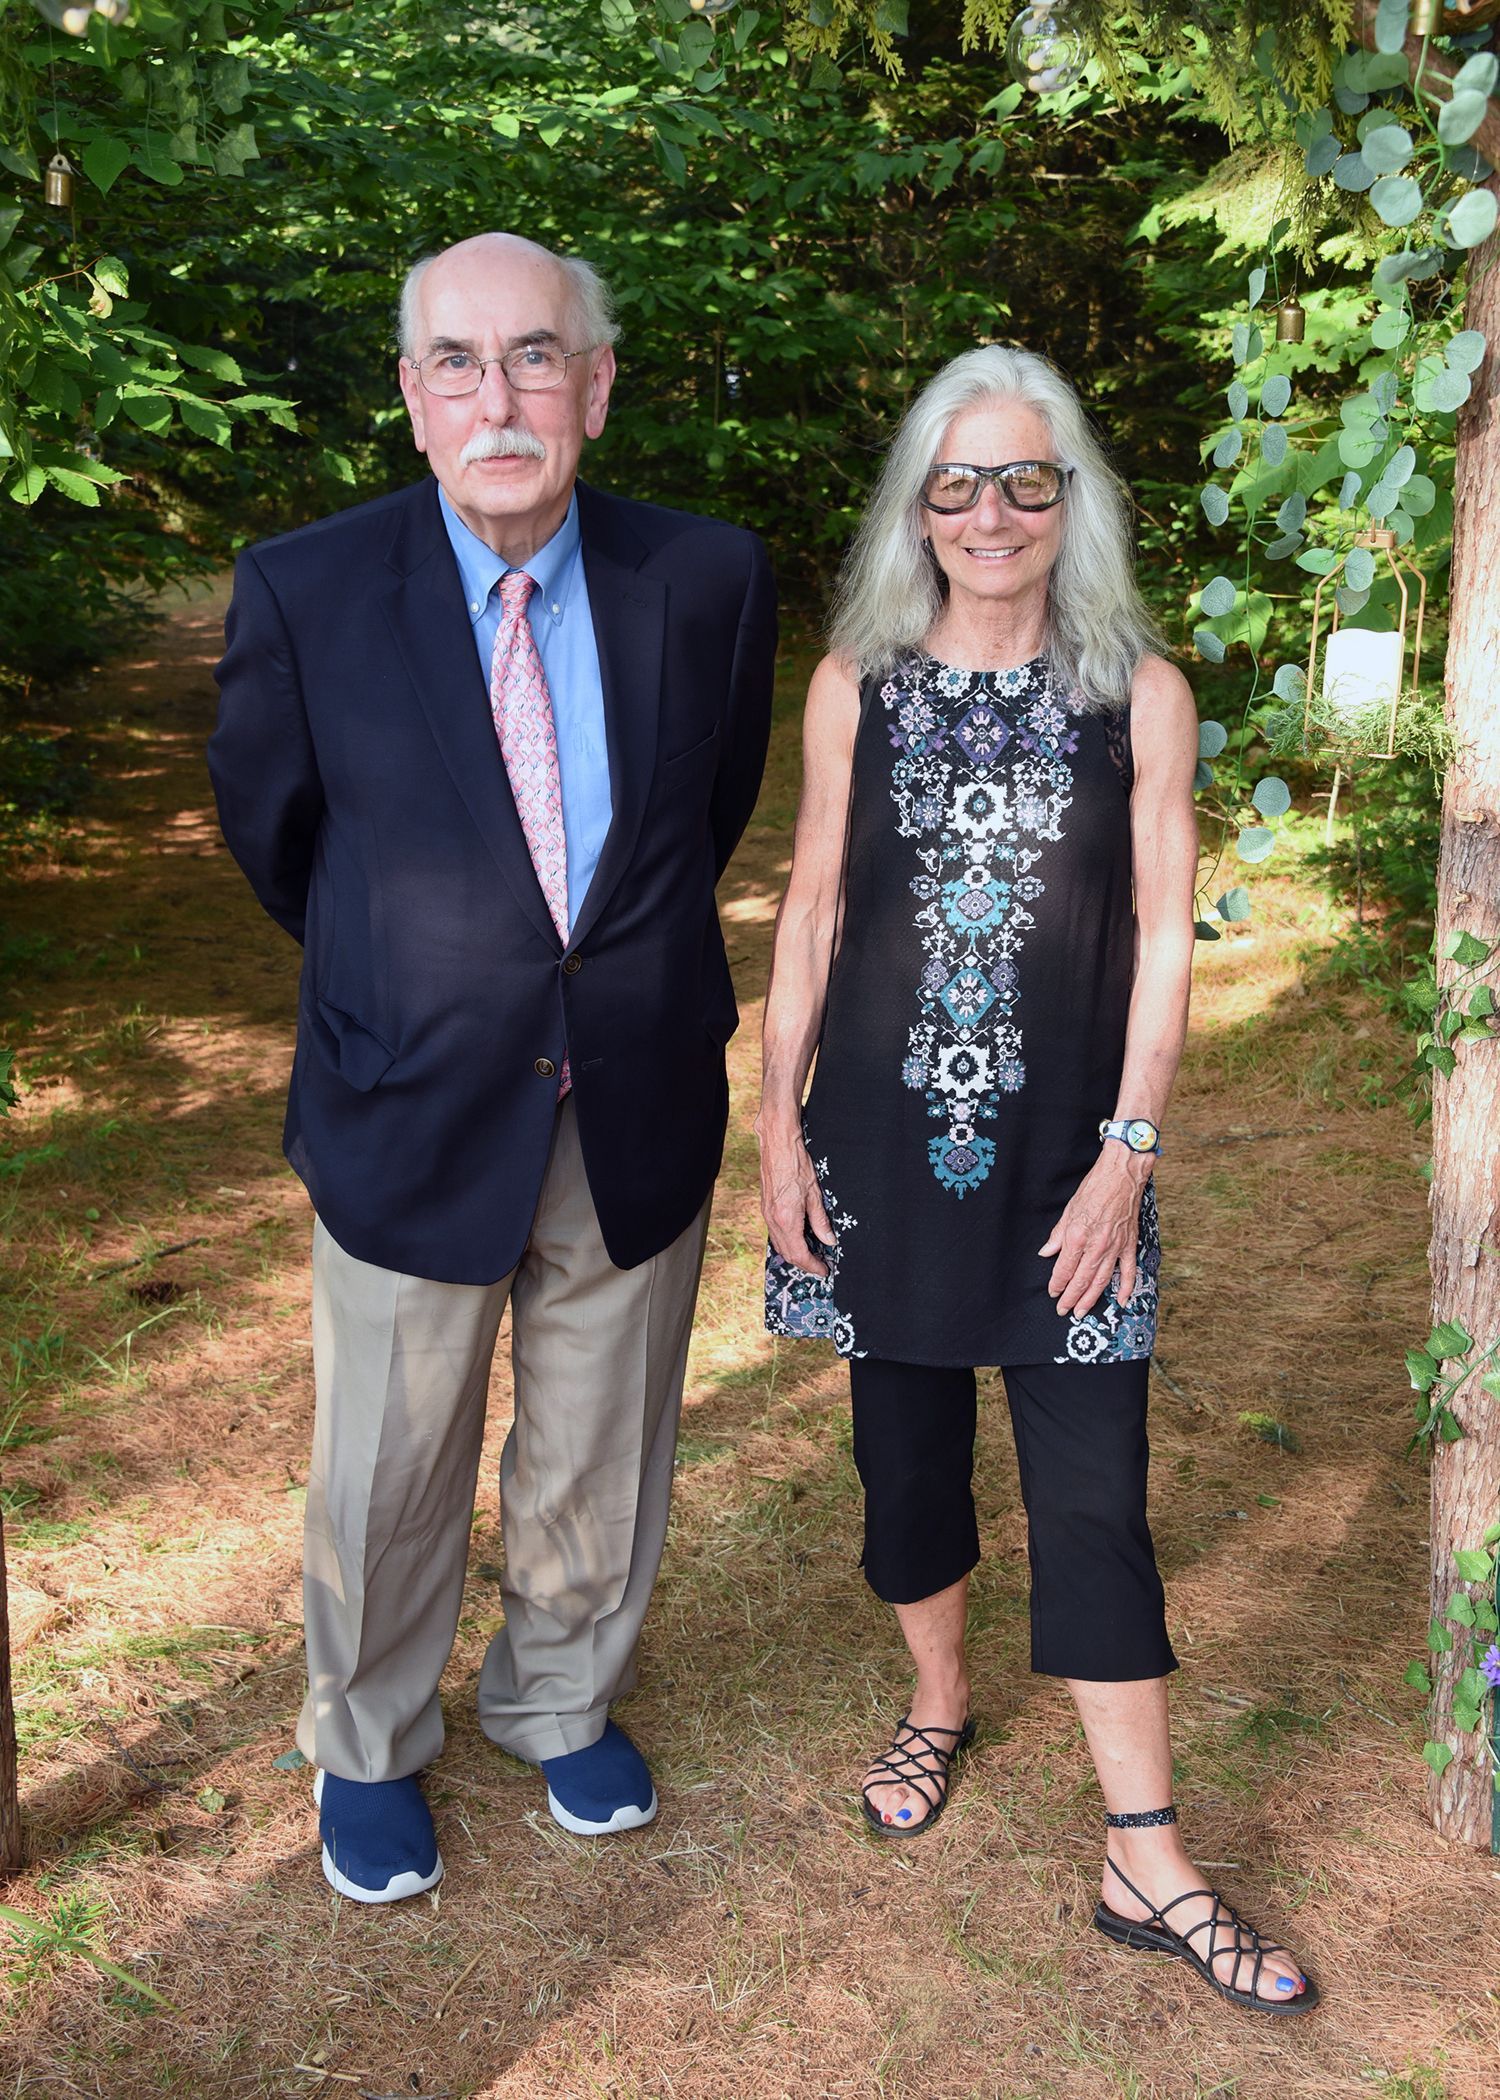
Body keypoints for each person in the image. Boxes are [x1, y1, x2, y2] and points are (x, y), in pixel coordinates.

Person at [209, 232, 776, 1902]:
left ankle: (557, 1697)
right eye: (457, 362)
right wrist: (420, 974)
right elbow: (278, 837)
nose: (499, 396)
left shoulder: (711, 578)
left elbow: (702, 812)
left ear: (595, 386)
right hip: (411, 1096)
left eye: (537, 357)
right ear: (410, 397)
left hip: (636, 1083)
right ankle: (370, 1742)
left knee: (602, 1434)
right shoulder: (307, 590)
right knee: (389, 1457)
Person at [757, 345, 1316, 2015]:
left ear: (1071, 503)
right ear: (914, 509)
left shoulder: (1137, 693)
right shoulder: (857, 682)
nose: (990, 514)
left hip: (1072, 1174)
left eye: (1025, 481)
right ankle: (937, 1701)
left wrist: (1131, 1153)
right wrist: (773, 1129)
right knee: (904, 1470)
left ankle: (1146, 1856)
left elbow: (1162, 942)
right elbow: (809, 907)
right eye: (957, 484)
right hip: (880, 1154)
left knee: (1094, 1499)